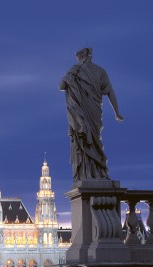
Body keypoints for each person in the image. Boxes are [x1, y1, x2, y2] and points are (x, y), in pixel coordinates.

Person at [60, 48, 124, 182]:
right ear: (90, 56)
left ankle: (90, 172)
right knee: (94, 140)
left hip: (85, 112)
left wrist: (71, 74)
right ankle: (96, 171)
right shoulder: (99, 71)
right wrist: (116, 112)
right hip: (92, 111)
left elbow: (61, 86)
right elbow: (110, 93)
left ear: (82, 57)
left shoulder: (76, 70)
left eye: (79, 57)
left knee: (87, 139)